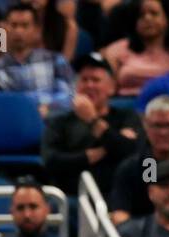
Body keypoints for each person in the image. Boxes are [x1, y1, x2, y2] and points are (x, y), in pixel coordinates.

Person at [42, 51, 145, 203]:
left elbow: (134, 153)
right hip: (71, 198)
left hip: (116, 198)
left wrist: (92, 120)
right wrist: (100, 151)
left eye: (96, 80)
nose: (89, 85)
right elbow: (51, 161)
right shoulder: (59, 121)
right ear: (77, 86)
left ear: (111, 87)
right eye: (84, 79)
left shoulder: (127, 117)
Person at [109, 95, 169, 223]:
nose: (163, 132)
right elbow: (120, 215)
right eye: (157, 126)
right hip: (139, 236)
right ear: (146, 127)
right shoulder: (130, 168)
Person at [0, 2, 75, 117]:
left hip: (52, 123)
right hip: (14, 126)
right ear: (5, 29)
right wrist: (31, 107)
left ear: (36, 30)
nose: (19, 31)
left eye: (25, 25)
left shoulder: (56, 61)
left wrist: (48, 107)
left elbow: (69, 96)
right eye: (14, 25)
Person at [100, 0, 169, 97]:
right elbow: (107, 88)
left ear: (166, 19)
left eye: (154, 13)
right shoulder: (116, 50)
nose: (147, 18)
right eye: (141, 15)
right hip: (126, 105)